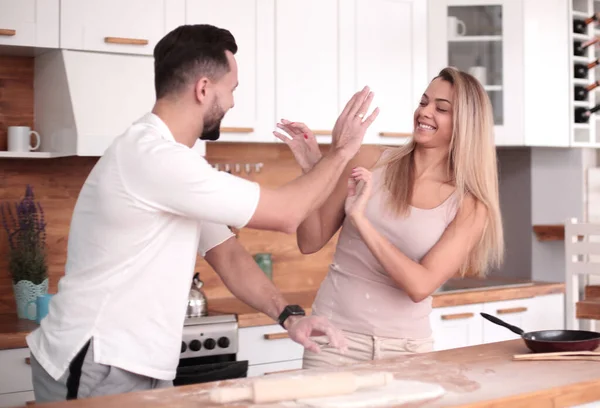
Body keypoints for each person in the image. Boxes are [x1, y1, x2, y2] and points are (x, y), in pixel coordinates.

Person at [25, 24, 380, 403]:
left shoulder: (176, 163)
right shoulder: (156, 158)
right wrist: (341, 152)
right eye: (232, 90)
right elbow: (289, 213)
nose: (232, 103)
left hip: (135, 363)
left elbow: (226, 254)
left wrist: (289, 316)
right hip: (98, 359)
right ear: (204, 88)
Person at [273, 67, 504, 369]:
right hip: (333, 340)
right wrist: (312, 171)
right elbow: (309, 240)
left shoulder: (470, 204)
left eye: (441, 108)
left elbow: (420, 286)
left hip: (407, 349)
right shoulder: (370, 161)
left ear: (466, 124)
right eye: (424, 102)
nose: (425, 112)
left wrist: (362, 221)